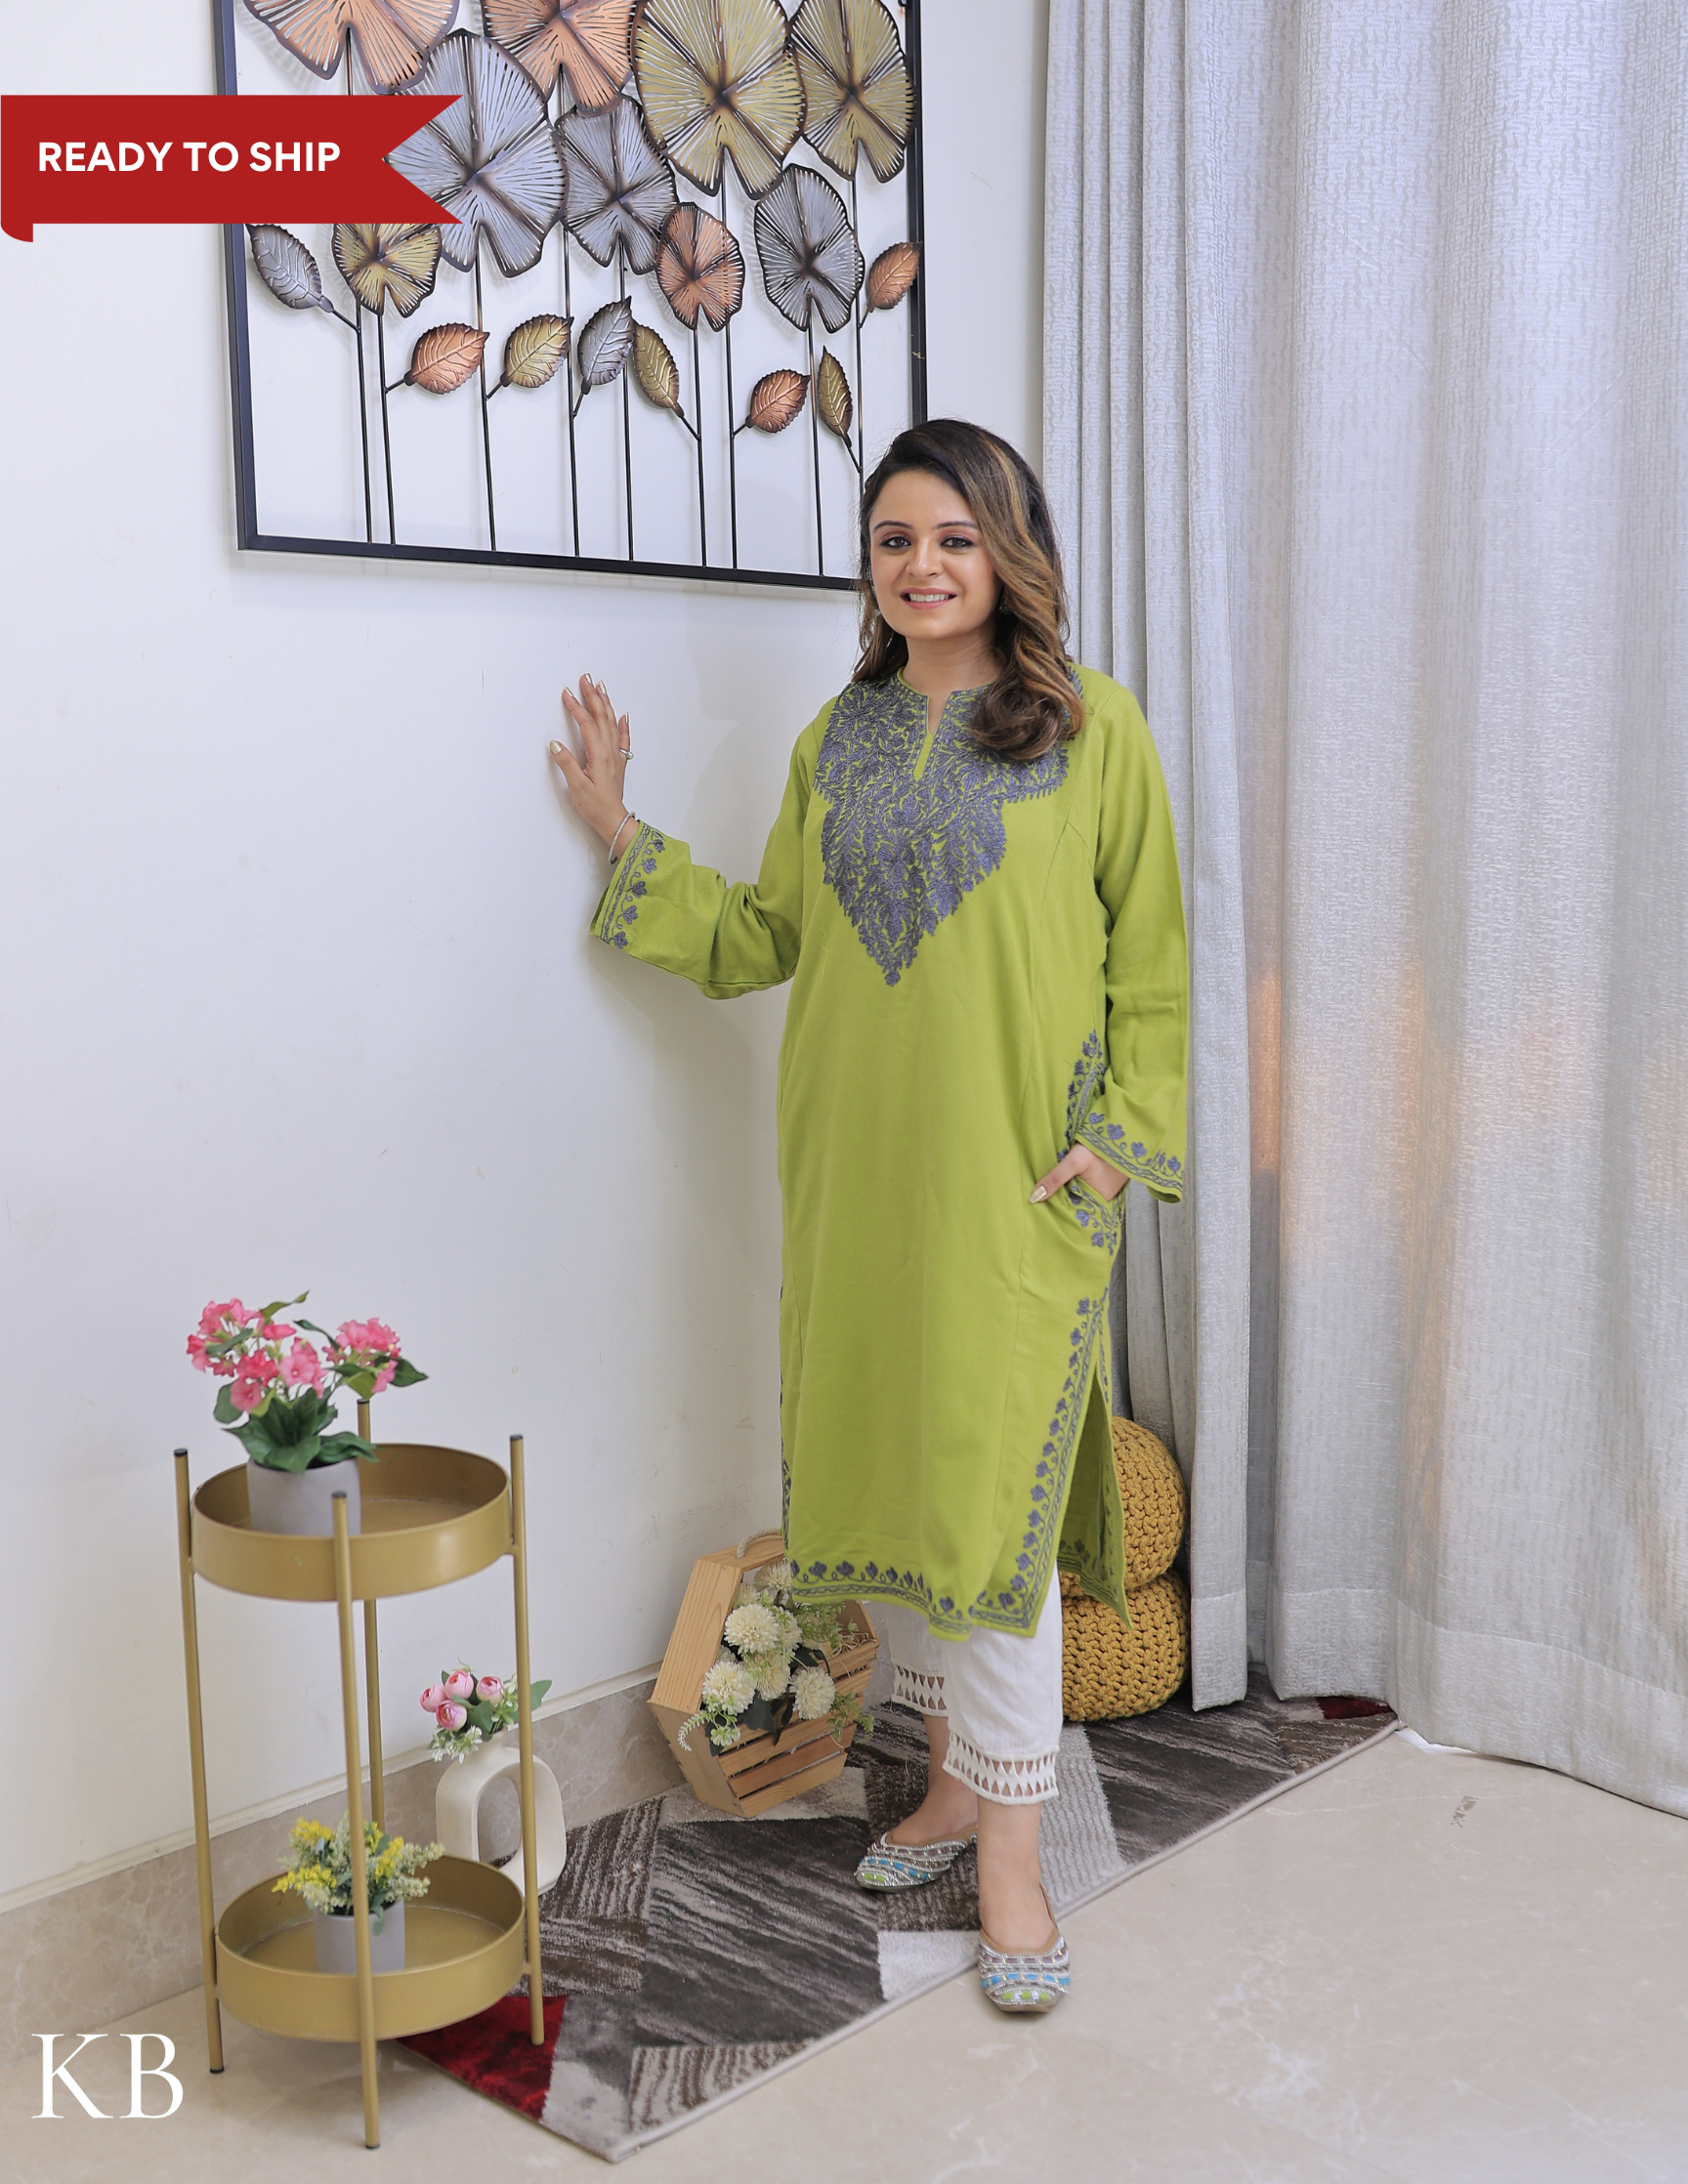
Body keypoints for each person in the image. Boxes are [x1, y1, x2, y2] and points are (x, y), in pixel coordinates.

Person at [548, 420, 1188, 2015]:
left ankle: (1016, 1866)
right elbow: (766, 934)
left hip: (1013, 1191)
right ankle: (955, 1788)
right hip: (856, 1181)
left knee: (989, 1534)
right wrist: (621, 833)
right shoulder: (836, 738)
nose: (921, 566)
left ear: (1011, 554)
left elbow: (1157, 957)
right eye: (895, 539)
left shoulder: (1091, 727)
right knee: (895, 1506)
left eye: (954, 538)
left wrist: (1118, 1144)